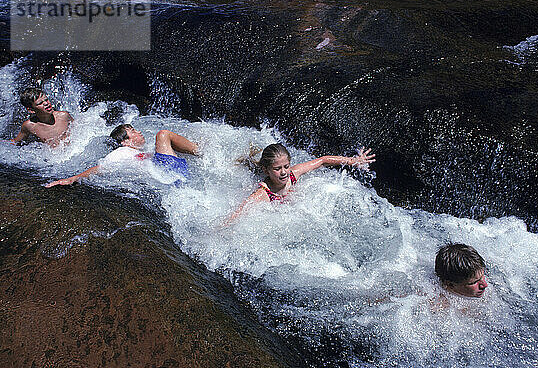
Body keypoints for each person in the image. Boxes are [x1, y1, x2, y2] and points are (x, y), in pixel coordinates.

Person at [228, 143, 375, 221]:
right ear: (267, 171)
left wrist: (352, 161)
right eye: (277, 169)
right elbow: (238, 214)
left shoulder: (293, 174)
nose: (284, 172)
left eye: (286, 166)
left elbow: (322, 161)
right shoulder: (263, 194)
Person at [45, 124, 200, 187]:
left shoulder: (140, 150)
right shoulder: (121, 153)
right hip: (169, 175)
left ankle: (198, 151)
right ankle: (200, 151)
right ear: (124, 142)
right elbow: (100, 168)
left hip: (172, 176)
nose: (138, 132)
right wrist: (73, 178)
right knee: (163, 134)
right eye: (132, 131)